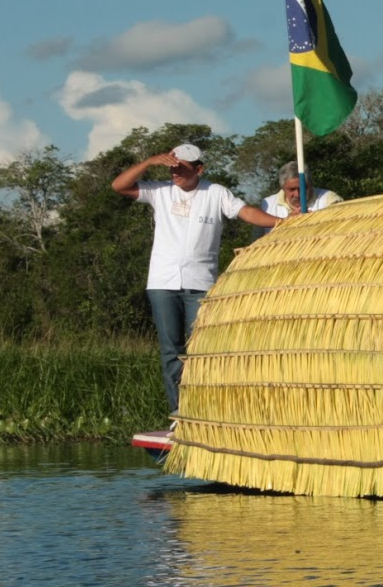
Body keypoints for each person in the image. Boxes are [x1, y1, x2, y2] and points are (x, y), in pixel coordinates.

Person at [112, 143, 282, 416]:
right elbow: (119, 186)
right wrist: (148, 162)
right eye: (172, 167)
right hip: (162, 282)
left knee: (201, 350)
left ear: (199, 169)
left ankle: (203, 410)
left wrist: (281, 222)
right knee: (171, 350)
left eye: (182, 168)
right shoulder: (160, 191)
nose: (175, 172)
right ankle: (179, 412)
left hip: (199, 282)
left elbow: (246, 212)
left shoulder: (215, 193)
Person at [256, 160, 343, 233]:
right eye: (292, 189)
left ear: (310, 184)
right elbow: (256, 242)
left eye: (302, 188)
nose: (297, 194)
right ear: (283, 188)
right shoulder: (266, 206)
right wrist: (287, 221)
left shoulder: (329, 200)